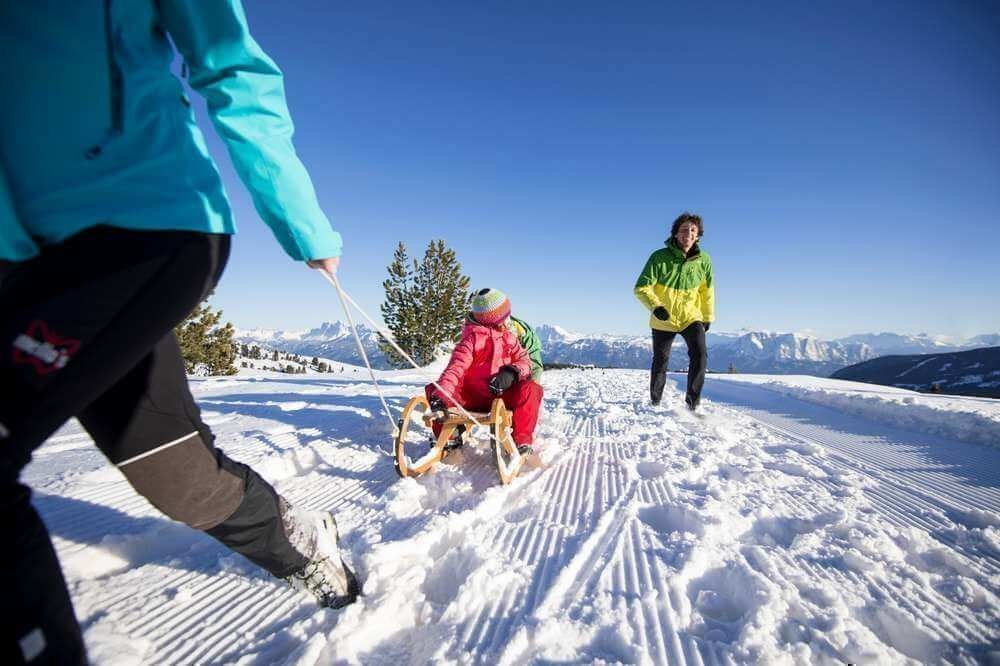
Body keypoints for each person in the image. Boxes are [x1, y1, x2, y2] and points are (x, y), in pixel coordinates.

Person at [0, 2, 358, 662]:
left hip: (146, 221)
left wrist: (298, 218)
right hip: (22, 256)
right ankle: (300, 539)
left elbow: (231, 64)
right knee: (172, 472)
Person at [426, 289, 544, 456]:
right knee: (435, 391)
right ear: (494, 320)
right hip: (472, 398)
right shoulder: (471, 341)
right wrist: (441, 396)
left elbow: (525, 361)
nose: (508, 321)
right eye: (505, 317)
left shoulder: (510, 338)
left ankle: (521, 440)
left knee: (531, 389)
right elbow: (455, 369)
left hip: (502, 397)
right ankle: (449, 435)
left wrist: (512, 372)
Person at [633, 212, 715, 411]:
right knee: (661, 360)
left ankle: (693, 403)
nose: (688, 233)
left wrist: (707, 316)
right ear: (676, 234)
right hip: (664, 317)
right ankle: (655, 401)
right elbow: (641, 287)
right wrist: (656, 307)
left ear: (698, 235)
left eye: (693, 230)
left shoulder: (704, 260)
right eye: (684, 229)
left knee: (700, 355)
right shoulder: (659, 257)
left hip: (690, 316)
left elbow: (707, 291)